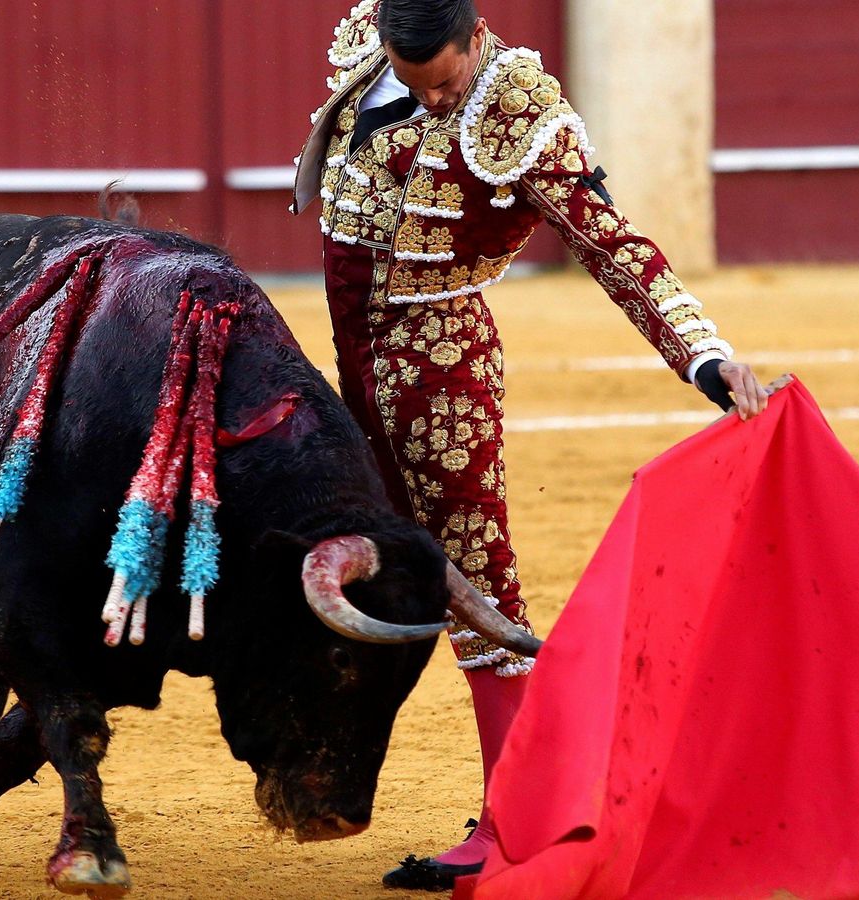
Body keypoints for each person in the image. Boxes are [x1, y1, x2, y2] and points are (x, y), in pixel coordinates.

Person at [289, 0, 771, 888]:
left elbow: (611, 244)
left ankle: (517, 821)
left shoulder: (519, 115)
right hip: (354, 364)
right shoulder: (376, 40)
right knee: (360, 562)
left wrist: (705, 357)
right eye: (414, 81)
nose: (434, 101)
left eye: (447, 82)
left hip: (443, 375)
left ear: (478, 38)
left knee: (478, 580)